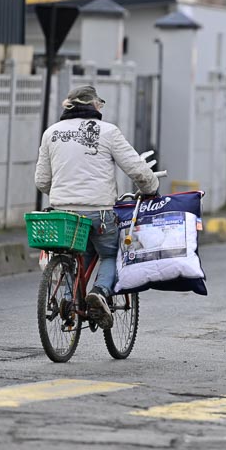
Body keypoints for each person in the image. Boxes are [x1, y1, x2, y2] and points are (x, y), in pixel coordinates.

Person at [35, 86, 159, 328]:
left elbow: (42, 181)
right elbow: (137, 170)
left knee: (72, 252)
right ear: (94, 105)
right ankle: (99, 292)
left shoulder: (51, 133)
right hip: (99, 213)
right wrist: (151, 190)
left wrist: (65, 196)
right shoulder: (108, 132)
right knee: (112, 254)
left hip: (63, 214)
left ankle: (70, 299)